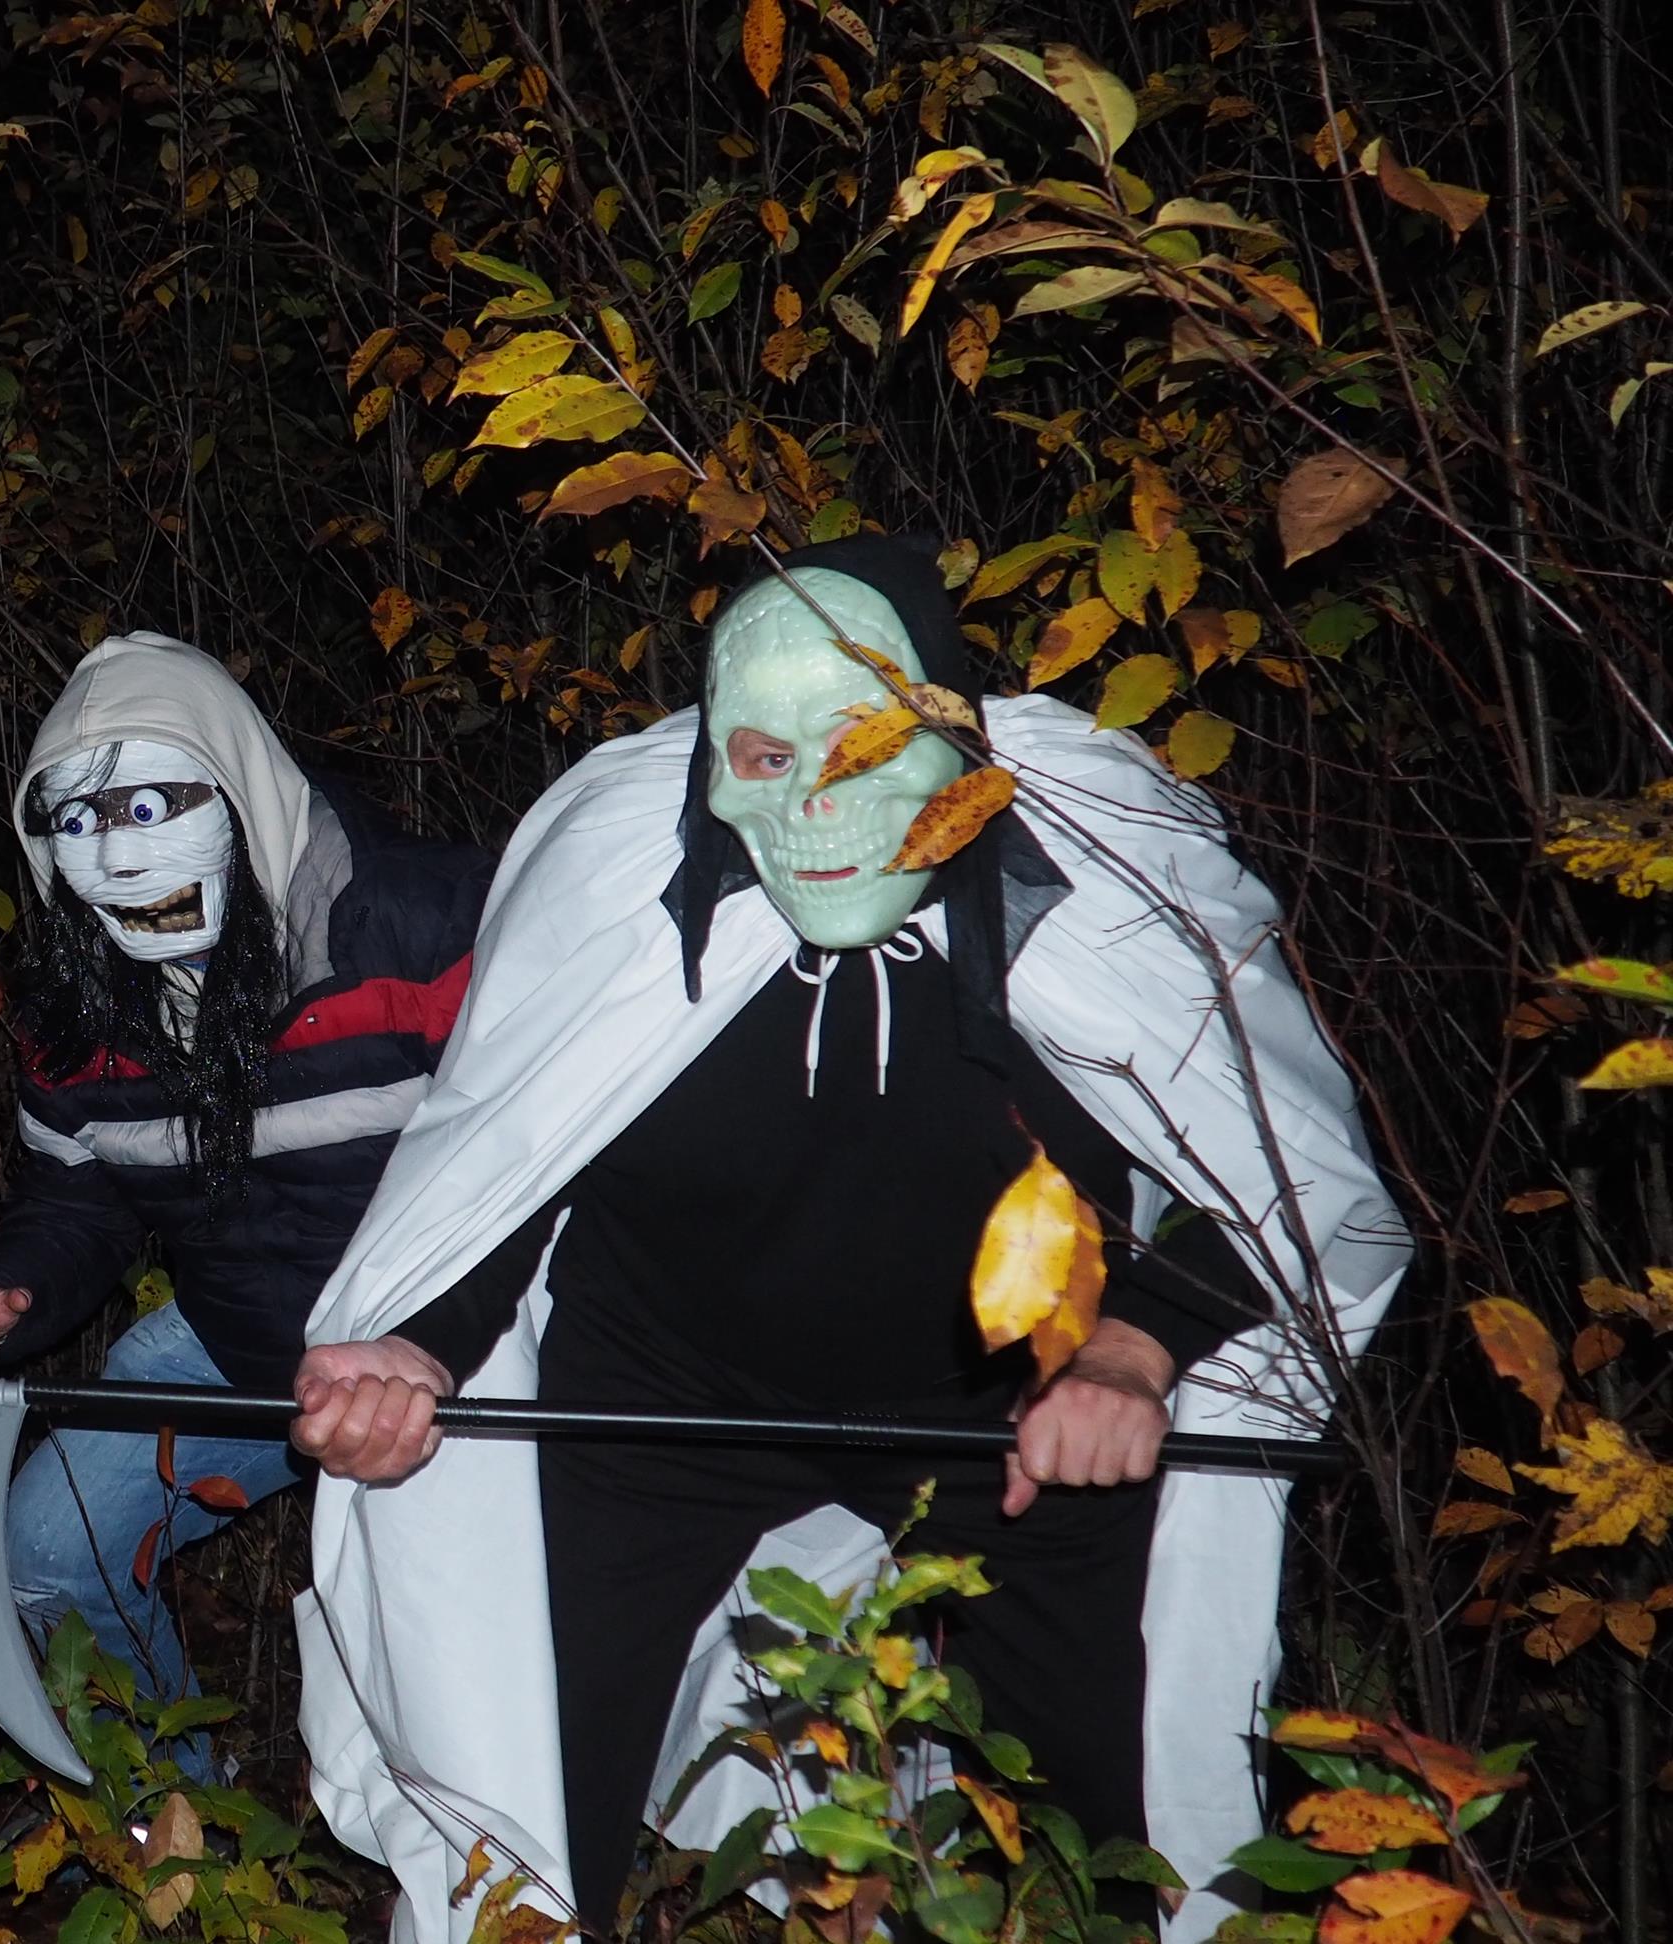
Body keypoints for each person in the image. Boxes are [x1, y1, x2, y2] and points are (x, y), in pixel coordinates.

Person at [284, 537, 1407, 1941]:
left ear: (958, 749)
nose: (814, 803)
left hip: (1010, 1415)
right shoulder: (624, 899)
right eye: (764, 757)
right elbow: (511, 1157)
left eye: (864, 747)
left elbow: (1288, 1192)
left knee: (1126, 1837)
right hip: (656, 1399)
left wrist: (1135, 1348)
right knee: (522, 1801)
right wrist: (419, 1346)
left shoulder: (1094, 911)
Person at [0, 632, 488, 1755]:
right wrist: (6, 1292)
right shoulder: (75, 1006)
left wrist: (450, 1341)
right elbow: (82, 1193)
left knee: (457, 1683)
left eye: (151, 808)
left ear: (240, 787)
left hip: (474, 1362)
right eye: (75, 821)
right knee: (51, 1554)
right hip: (242, 1344)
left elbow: (568, 1160)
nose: (116, 856)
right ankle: (176, 1822)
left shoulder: (431, 928)